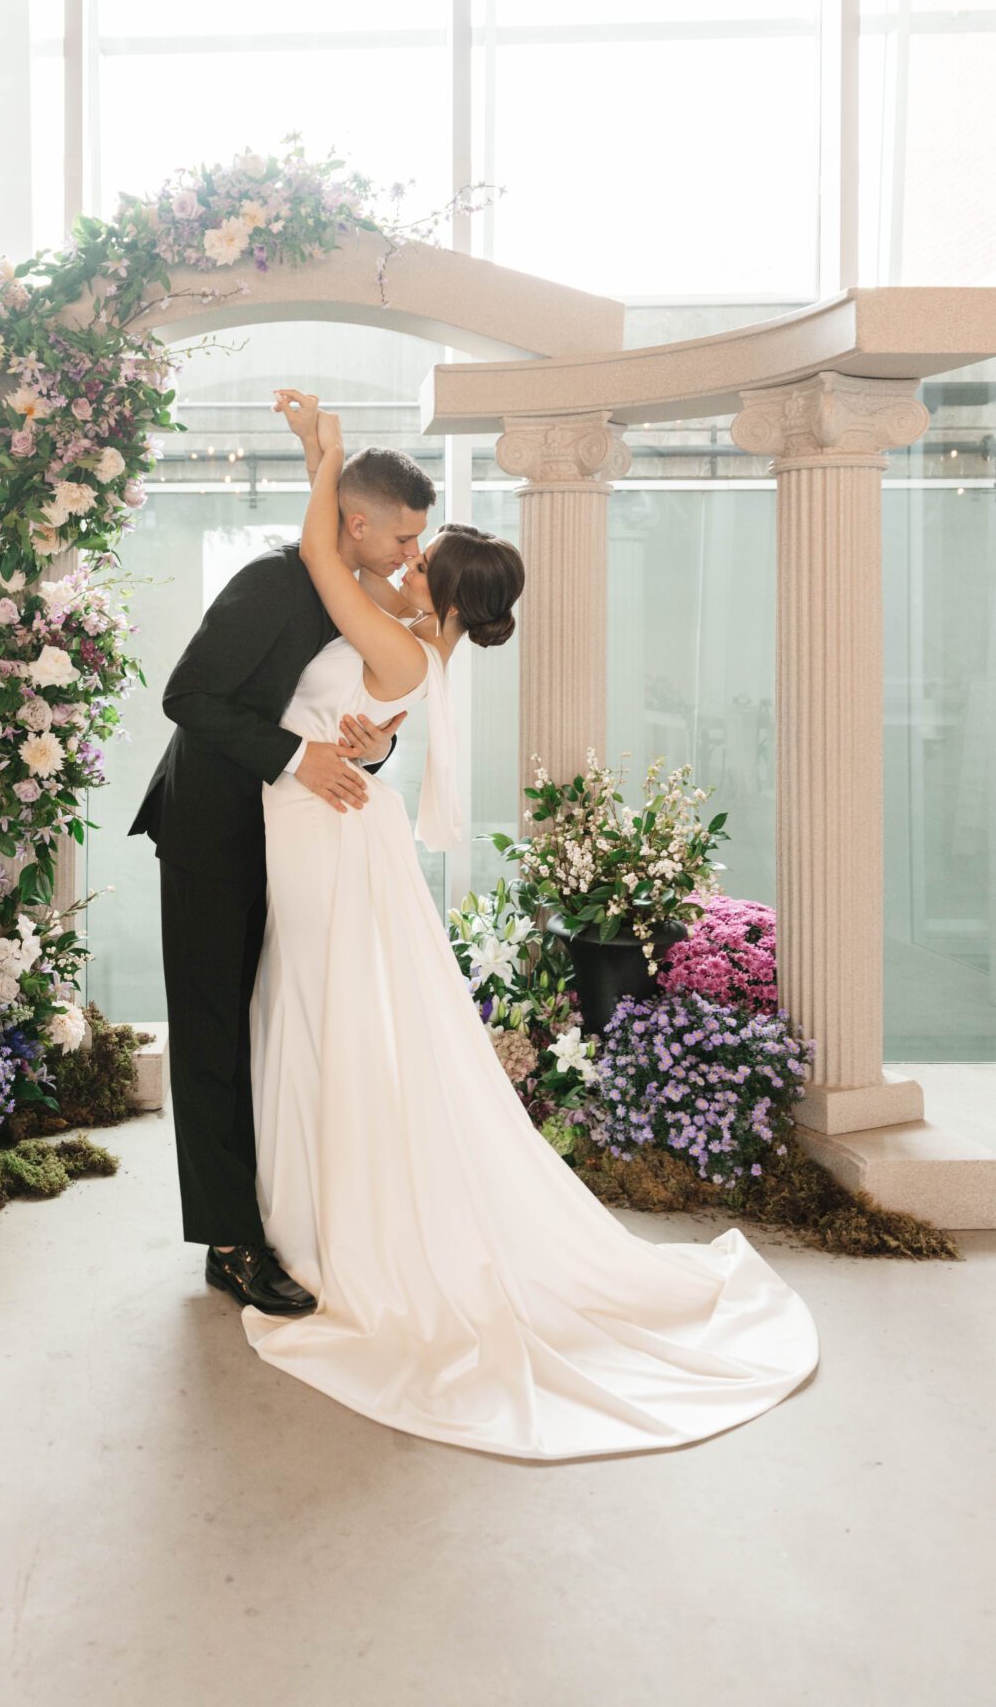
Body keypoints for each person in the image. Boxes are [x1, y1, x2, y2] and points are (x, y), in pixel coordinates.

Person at [238, 388, 820, 1461]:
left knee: (324, 1008)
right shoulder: (410, 635)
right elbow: (342, 590)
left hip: (327, 841)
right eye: (410, 546)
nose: (404, 560)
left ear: (443, 589)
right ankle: (306, 1212)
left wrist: (319, 453)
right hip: (325, 822)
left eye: (422, 554)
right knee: (313, 1007)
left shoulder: (405, 647)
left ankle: (333, 1228)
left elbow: (325, 559)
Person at [129, 440, 438, 1315]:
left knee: (268, 1030)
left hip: (294, 843)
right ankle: (228, 1245)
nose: (410, 555)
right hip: (211, 833)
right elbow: (187, 696)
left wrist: (368, 751)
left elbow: (335, 711)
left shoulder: (347, 593)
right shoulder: (271, 581)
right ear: (357, 520)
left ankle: (272, 1210)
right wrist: (296, 759)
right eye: (402, 537)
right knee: (213, 1037)